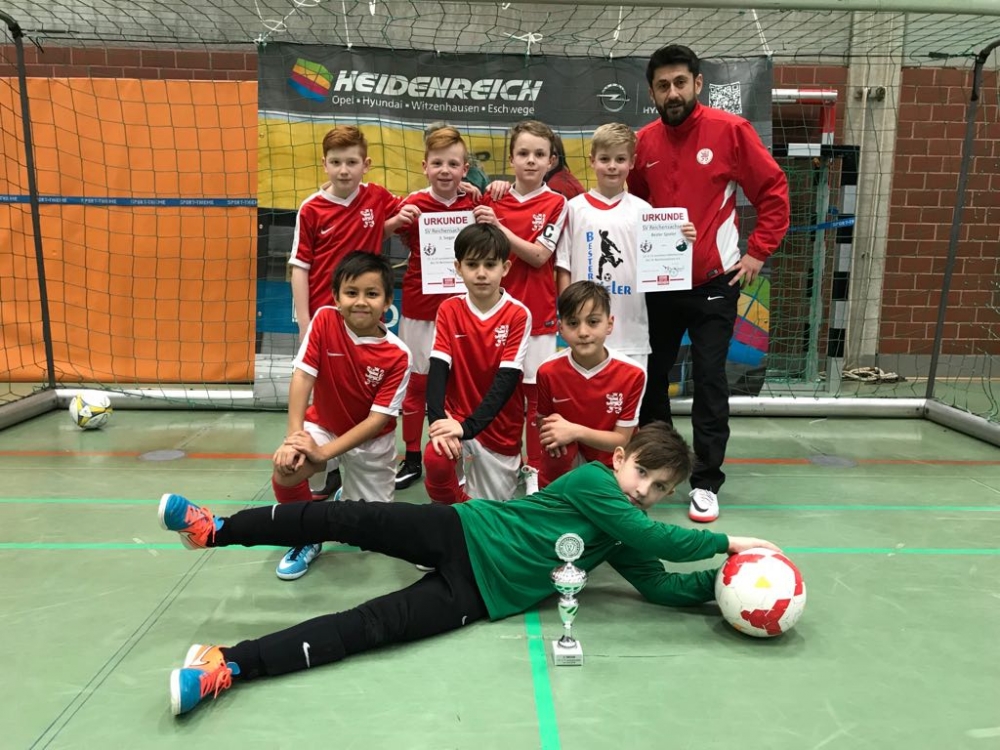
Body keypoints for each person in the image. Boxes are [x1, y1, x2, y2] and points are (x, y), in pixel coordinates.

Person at [157, 421, 782, 716]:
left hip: (478, 595)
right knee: (345, 517)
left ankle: (228, 665)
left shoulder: (621, 533)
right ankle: (216, 528)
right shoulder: (595, 482)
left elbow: (659, 582)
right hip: (464, 530)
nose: (646, 490)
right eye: (642, 473)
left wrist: (727, 586)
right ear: (619, 459)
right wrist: (729, 542)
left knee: (368, 627)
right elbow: (651, 534)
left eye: (661, 487)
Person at [629, 44, 790, 523]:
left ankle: (705, 481)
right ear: (652, 93)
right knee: (651, 378)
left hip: (714, 285)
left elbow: (773, 190)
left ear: (697, 84)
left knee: (710, 379)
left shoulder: (730, 130)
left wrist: (758, 251)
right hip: (659, 283)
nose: (673, 93)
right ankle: (656, 469)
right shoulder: (644, 143)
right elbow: (631, 207)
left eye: (680, 82)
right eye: (663, 86)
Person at [288, 125, 419, 500]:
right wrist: (305, 321)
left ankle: (349, 460)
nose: (343, 170)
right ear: (324, 164)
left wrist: (395, 223)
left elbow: (399, 217)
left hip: (361, 314)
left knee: (358, 388)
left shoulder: (376, 197)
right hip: (325, 316)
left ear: (366, 164)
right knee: (322, 394)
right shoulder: (311, 208)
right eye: (335, 162)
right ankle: (325, 468)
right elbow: (300, 267)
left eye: (351, 162)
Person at [270, 251, 412, 581]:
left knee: (370, 536)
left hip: (371, 443)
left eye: (371, 293)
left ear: (388, 302)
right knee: (287, 468)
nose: (360, 302)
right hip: (323, 426)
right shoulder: (324, 320)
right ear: (336, 297)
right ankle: (306, 535)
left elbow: (376, 421)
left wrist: (323, 454)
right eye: (351, 292)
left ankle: (347, 496)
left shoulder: (398, 355)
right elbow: (303, 376)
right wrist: (294, 439)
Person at [555, 122, 696, 370]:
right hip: (584, 333)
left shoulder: (643, 211)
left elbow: (663, 266)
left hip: (632, 336)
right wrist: (569, 317)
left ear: (632, 162)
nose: (612, 166)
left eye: (620, 159)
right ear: (592, 161)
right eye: (605, 159)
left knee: (628, 397)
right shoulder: (573, 209)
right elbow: (563, 267)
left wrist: (681, 242)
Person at [477, 120, 569, 493]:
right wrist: (485, 194)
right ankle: (499, 461)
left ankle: (533, 469)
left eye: (539, 154)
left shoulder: (557, 203)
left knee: (535, 399)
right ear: (511, 159)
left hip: (538, 317)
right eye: (523, 153)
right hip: (493, 317)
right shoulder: (491, 198)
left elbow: (539, 256)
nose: (531, 161)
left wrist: (499, 226)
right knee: (497, 395)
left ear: (551, 161)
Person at [392, 126, 480, 491]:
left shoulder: (475, 205)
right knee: (417, 384)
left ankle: (458, 452)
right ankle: (412, 457)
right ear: (425, 166)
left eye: (453, 164)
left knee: (460, 387)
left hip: (463, 311)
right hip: (420, 310)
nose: (445, 170)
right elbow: (388, 231)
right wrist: (398, 219)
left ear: (465, 169)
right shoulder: (412, 205)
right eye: (438, 163)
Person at [422, 223, 530, 505]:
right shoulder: (449, 309)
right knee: (436, 459)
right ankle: (449, 512)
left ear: (505, 268)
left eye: (490, 264)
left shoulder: (518, 314)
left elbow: (506, 380)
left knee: (490, 513)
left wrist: (468, 427)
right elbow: (438, 369)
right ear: (458, 267)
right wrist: (438, 424)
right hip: (456, 418)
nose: (481, 273)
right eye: (472, 264)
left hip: (498, 428)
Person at [535, 281, 646, 489]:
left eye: (593, 322)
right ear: (561, 328)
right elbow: (543, 420)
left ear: (609, 324)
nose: (583, 332)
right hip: (568, 455)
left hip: (611, 462)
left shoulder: (633, 373)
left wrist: (574, 431)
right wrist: (554, 430)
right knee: (557, 449)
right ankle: (552, 495)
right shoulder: (547, 371)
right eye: (573, 323)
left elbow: (621, 440)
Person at [543, 133, 585, 199]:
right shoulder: (563, 173)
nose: (550, 158)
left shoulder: (556, 184)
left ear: (560, 155)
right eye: (541, 154)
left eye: (553, 154)